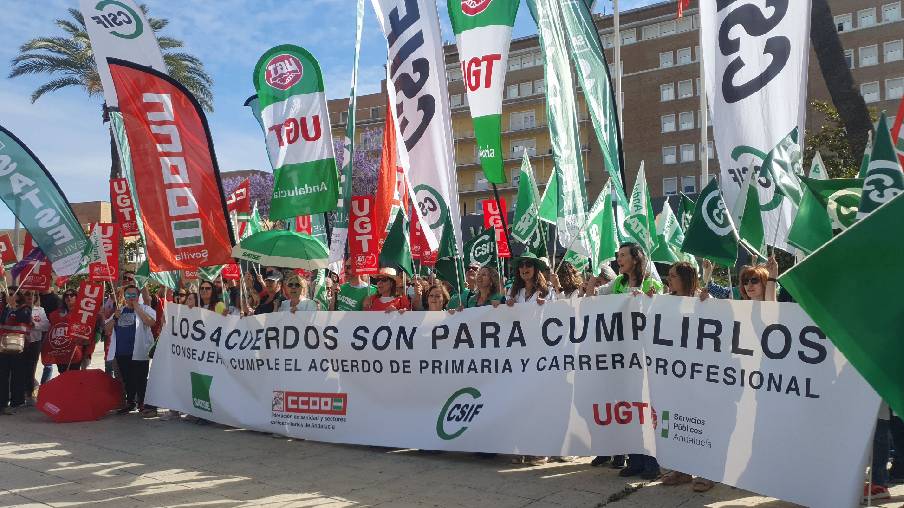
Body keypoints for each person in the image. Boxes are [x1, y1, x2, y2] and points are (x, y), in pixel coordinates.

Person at [594, 243, 662, 478]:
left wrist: (650, 299)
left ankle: (651, 462)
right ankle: (635, 461)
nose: (619, 260)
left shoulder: (651, 283)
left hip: (644, 356)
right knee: (630, 408)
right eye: (618, 256)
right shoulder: (618, 284)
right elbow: (595, 296)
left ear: (635, 258)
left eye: (623, 255)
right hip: (622, 357)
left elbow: (660, 310)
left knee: (646, 409)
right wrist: (591, 283)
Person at [105, 284, 156, 414]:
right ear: (124, 296)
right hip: (122, 352)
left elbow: (150, 322)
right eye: (128, 295)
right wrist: (115, 317)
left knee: (141, 379)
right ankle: (131, 402)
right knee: (127, 380)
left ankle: (142, 403)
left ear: (138, 296)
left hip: (139, 351)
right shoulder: (119, 311)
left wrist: (137, 308)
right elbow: (107, 330)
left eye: (134, 295)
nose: (131, 297)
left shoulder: (146, 308)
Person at [0, 288, 33, 415]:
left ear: (18, 296)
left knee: (18, 375)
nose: (9, 296)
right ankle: (2, 403)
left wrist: (13, 307)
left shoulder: (25, 308)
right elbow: (3, 320)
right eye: (7, 294)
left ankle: (17, 402)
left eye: (12, 294)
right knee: (3, 376)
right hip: (3, 346)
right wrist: (8, 307)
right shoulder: (3, 308)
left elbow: (23, 318)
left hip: (18, 346)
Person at [20, 288, 50, 405]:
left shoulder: (40, 310)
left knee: (31, 368)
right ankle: (19, 393)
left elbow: (46, 326)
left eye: (33, 294)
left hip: (35, 342)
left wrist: (35, 325)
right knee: (20, 368)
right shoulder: (18, 309)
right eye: (27, 294)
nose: (30, 296)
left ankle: (29, 394)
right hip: (21, 342)